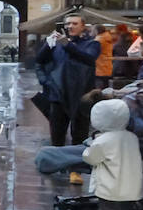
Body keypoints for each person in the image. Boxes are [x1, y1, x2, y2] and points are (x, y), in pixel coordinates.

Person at [82, 99, 143, 210]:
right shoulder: (132, 137)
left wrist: (88, 149)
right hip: (130, 188)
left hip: (110, 188)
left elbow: (90, 157)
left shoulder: (103, 140)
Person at [35, 13, 99, 151]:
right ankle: (58, 163)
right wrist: (47, 45)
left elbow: (88, 58)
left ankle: (76, 166)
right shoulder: (56, 44)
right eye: (68, 23)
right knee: (57, 135)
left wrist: (67, 44)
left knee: (80, 136)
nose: (70, 26)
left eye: (74, 23)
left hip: (82, 95)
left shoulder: (92, 44)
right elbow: (39, 61)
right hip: (58, 94)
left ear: (83, 26)